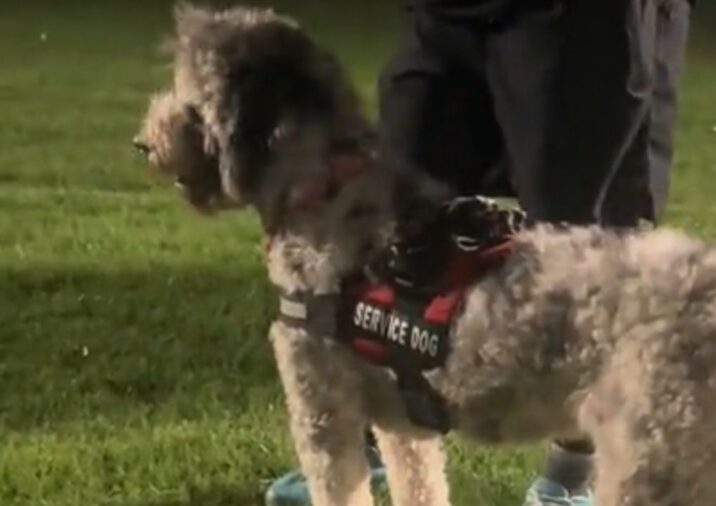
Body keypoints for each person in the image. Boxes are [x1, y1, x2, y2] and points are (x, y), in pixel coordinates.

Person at [267, 0, 694, 504]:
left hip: (577, 17)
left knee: (575, 246)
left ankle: (571, 478)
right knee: (386, 215)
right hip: (452, 13)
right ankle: (378, 429)